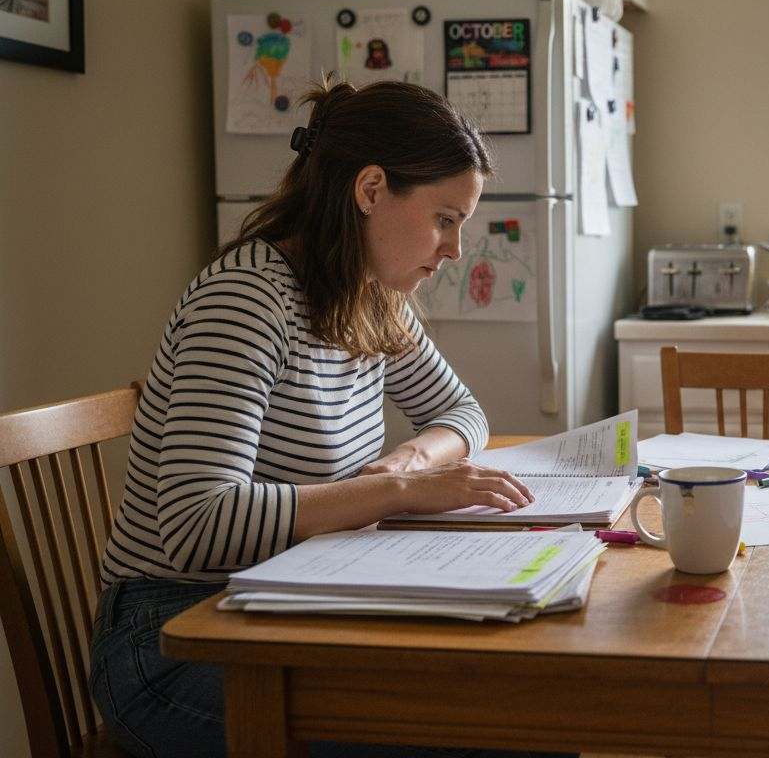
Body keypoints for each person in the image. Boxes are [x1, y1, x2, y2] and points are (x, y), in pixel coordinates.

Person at [90, 79, 567, 758]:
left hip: (290, 598)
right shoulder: (245, 301)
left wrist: (411, 461)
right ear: (370, 190)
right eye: (444, 218)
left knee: (518, 702)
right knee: (496, 734)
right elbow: (198, 526)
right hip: (171, 635)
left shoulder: (368, 297)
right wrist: (396, 492)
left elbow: (462, 413)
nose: (456, 248)